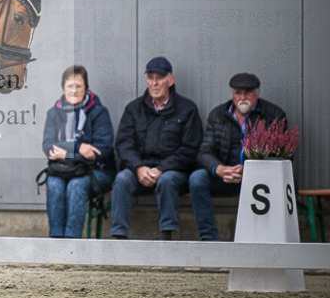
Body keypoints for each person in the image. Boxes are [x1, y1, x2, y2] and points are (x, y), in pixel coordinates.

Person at [110, 57, 203, 240]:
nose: (154, 83)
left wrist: (161, 168)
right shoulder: (133, 109)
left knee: (167, 180)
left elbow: (190, 148)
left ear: (170, 80)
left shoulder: (187, 109)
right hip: (140, 170)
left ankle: (167, 236)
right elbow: (124, 144)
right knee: (122, 179)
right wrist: (139, 167)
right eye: (150, 78)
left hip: (173, 171)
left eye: (159, 78)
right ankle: (118, 236)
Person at [189, 72, 288, 241]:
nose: (242, 98)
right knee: (197, 179)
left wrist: (250, 169)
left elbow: (284, 156)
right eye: (238, 93)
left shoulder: (273, 114)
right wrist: (219, 169)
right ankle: (208, 239)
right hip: (225, 177)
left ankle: (263, 241)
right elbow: (204, 152)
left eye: (247, 93)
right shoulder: (218, 115)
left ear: (257, 94)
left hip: (259, 179)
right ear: (232, 94)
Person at [41, 65, 115, 238]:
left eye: (78, 86)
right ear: (63, 88)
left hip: (96, 171)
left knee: (76, 185)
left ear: (86, 88)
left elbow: (101, 150)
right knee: (54, 184)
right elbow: (49, 146)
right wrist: (78, 147)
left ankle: (72, 243)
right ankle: (56, 241)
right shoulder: (54, 113)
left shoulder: (99, 112)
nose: (74, 91)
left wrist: (66, 152)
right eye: (70, 86)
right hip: (62, 170)